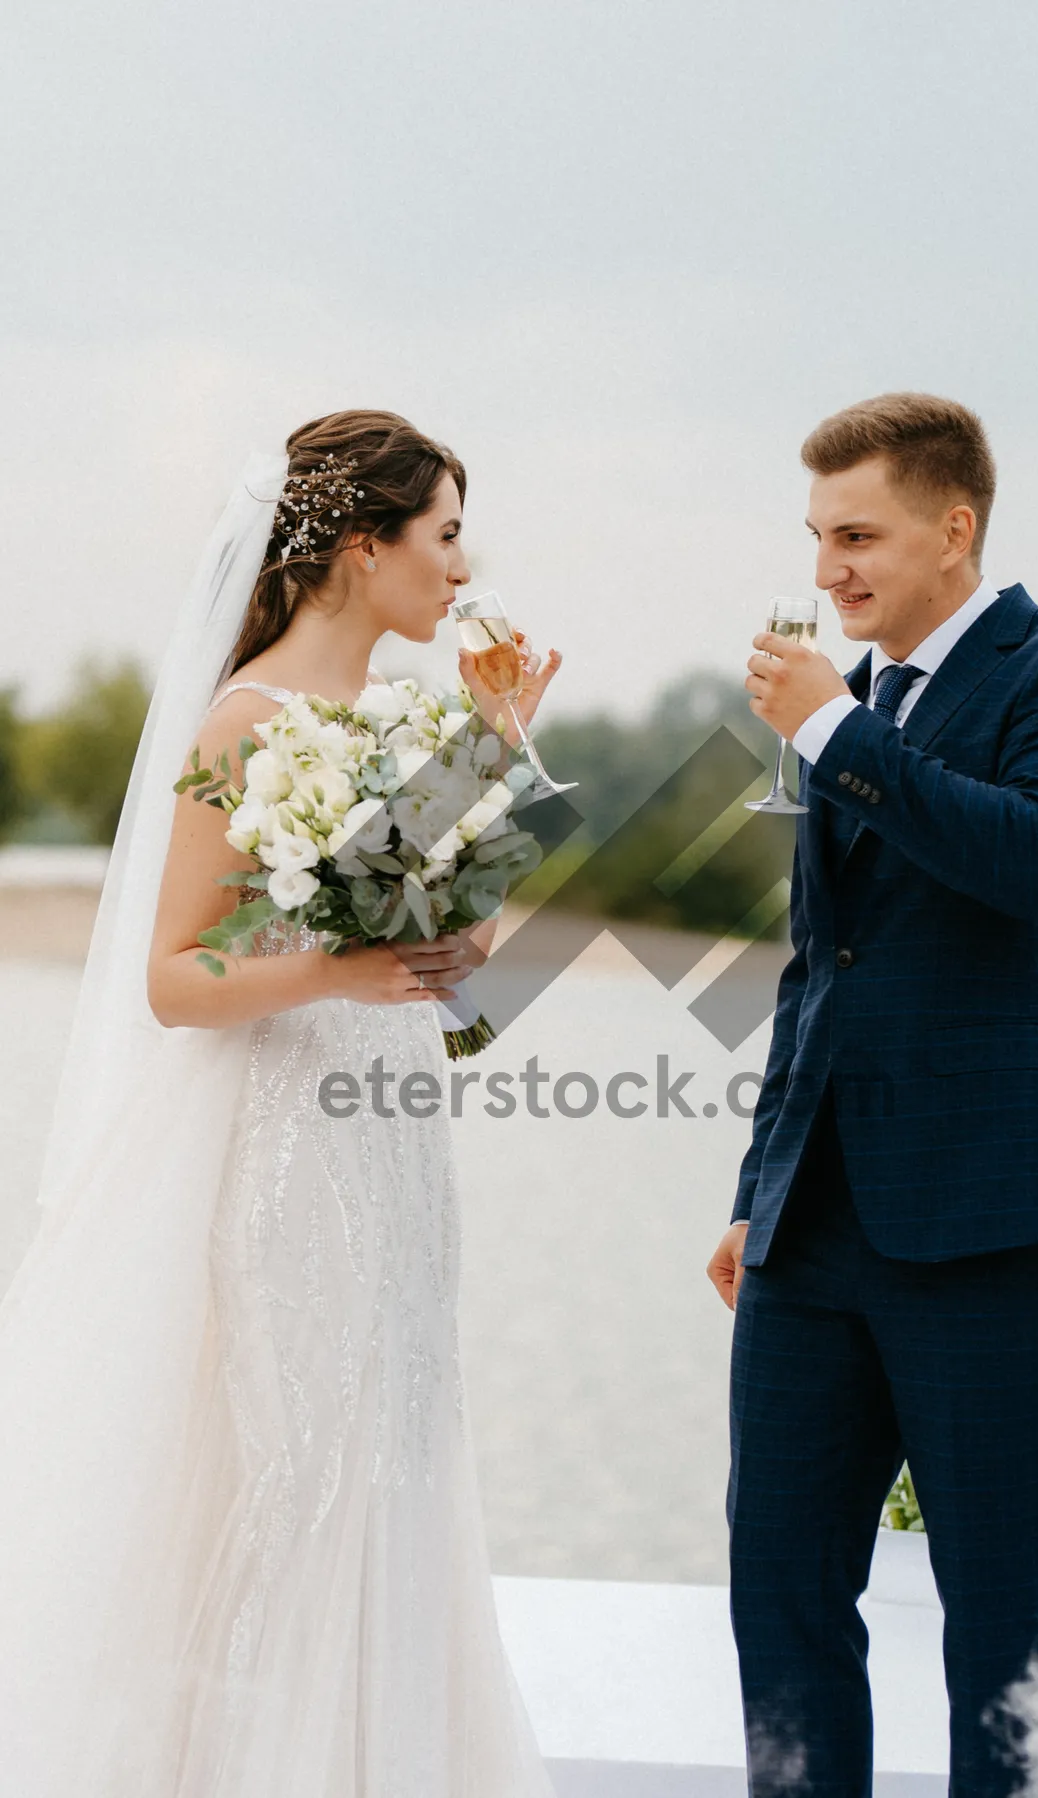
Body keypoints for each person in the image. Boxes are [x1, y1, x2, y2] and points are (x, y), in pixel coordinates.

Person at [0, 409, 562, 1796]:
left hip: (392, 1136)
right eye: (441, 537)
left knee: (404, 1440)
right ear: (361, 549)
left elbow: (455, 950)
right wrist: (347, 967)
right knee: (305, 1456)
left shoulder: (412, 718)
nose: (460, 567)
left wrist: (494, 748)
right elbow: (176, 974)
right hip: (280, 1140)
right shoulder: (245, 720)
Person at [706, 392, 1038, 1798]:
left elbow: (1026, 859)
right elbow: (811, 975)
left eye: (858, 534)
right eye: (819, 535)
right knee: (778, 1589)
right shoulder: (869, 704)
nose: (830, 567)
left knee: (1001, 1608)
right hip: (811, 1233)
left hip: (995, 1222)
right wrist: (753, 1194)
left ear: (954, 529)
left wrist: (834, 732)